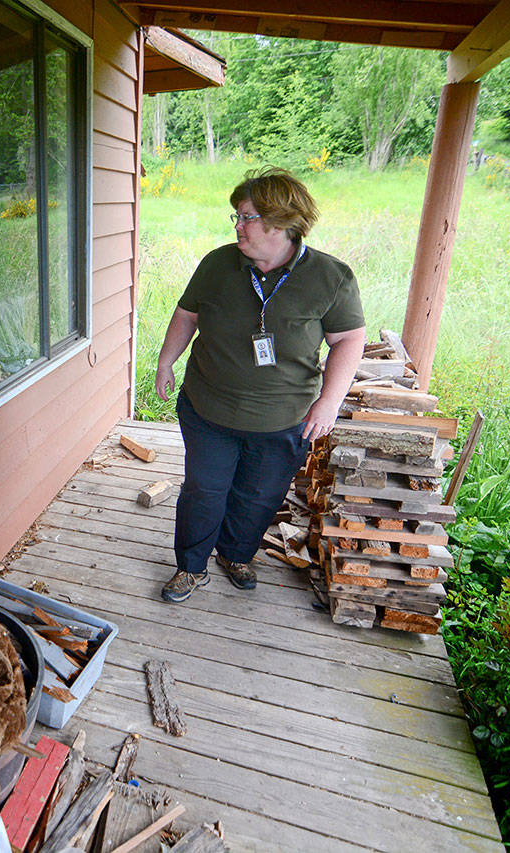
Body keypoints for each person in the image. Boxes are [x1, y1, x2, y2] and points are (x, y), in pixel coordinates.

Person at [156, 166, 366, 603]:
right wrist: (165, 360)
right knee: (203, 491)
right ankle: (190, 567)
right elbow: (187, 315)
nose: (238, 225)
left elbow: (348, 340)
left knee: (258, 496)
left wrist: (329, 402)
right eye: (236, 216)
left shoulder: (331, 277)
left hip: (282, 420)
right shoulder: (218, 263)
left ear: (282, 222)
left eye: (247, 216)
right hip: (208, 409)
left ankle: (236, 555)